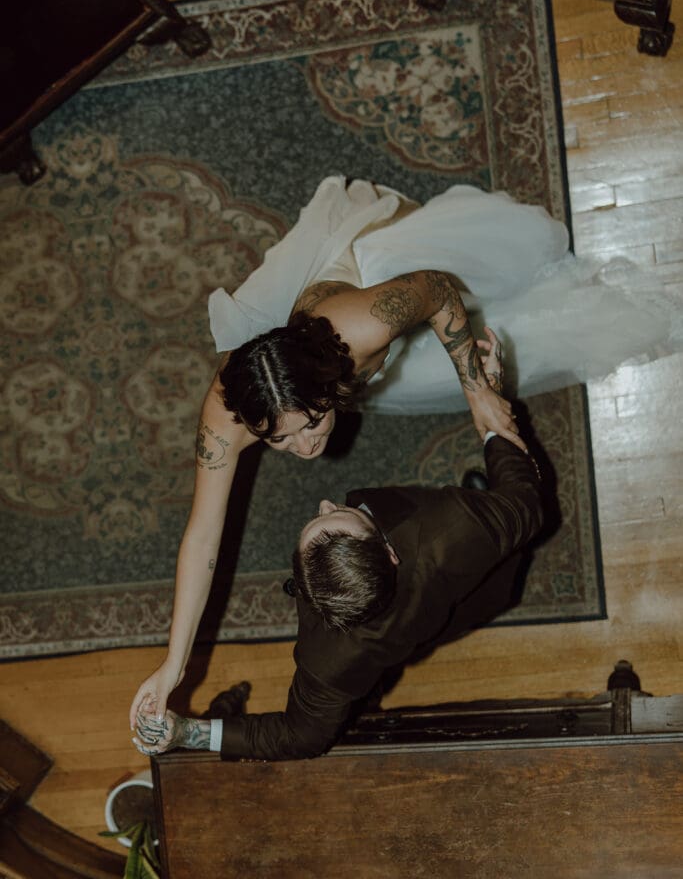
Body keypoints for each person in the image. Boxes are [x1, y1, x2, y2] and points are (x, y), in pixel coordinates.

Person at [129, 175, 681, 730]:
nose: (305, 447)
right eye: (280, 439)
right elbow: (202, 535)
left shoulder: (359, 326)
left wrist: (477, 390)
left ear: (329, 382)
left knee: (517, 253)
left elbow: (437, 291)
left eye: (314, 422)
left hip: (368, 279)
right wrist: (174, 664)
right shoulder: (225, 418)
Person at [132, 329, 544, 761]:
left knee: (381, 663)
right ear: (389, 551)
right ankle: (482, 509)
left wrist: (187, 732)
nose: (326, 504)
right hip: (469, 583)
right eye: (333, 515)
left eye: (320, 518)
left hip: (423, 615)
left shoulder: (330, 660)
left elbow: (300, 737)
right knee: (492, 537)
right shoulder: (450, 527)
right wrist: (493, 401)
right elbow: (526, 502)